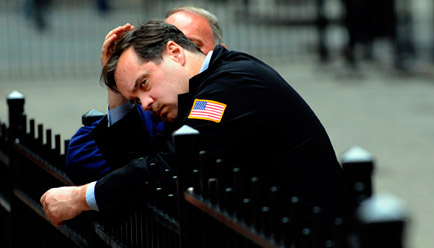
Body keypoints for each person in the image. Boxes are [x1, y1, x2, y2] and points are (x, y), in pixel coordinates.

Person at [41, 20, 344, 226]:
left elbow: (171, 165)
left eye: (144, 83)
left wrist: (81, 198)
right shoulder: (200, 90)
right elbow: (142, 164)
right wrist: (117, 90)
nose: (145, 104)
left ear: (174, 52)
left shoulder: (230, 85)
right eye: (136, 98)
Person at [66, 6, 225, 185]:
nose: (184, 51)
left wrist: (86, 197)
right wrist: (119, 82)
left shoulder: (220, 97)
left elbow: (172, 167)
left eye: (193, 44)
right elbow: (82, 158)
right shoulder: (152, 106)